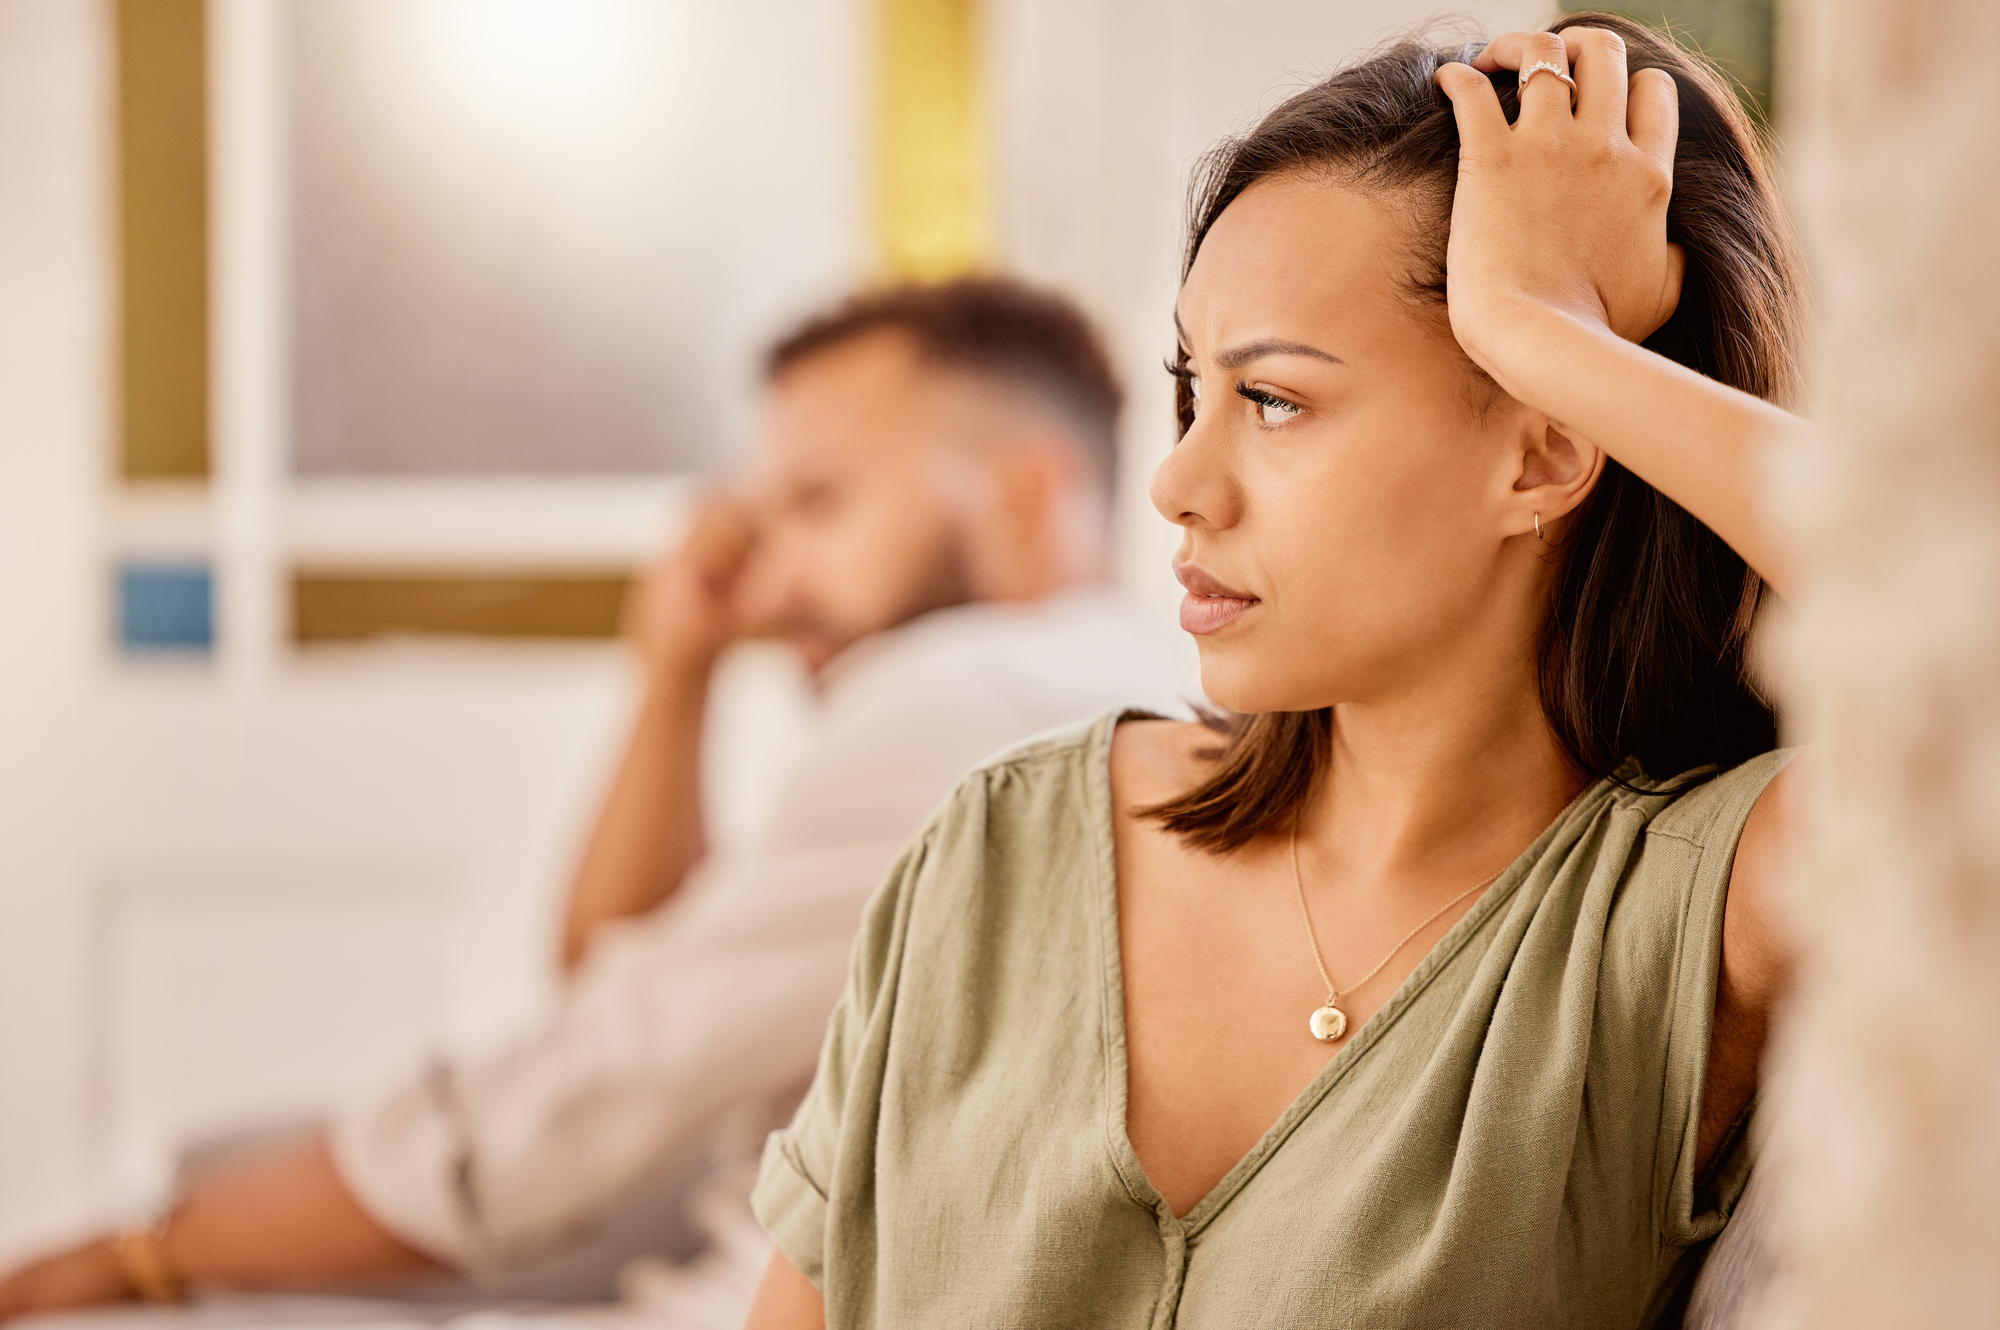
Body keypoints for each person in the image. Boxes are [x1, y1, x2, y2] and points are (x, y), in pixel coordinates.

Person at [744, 15, 1807, 1329]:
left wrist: (1553, 343)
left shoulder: (1688, 917)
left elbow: (1960, 639)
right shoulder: (998, 851)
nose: (1179, 483)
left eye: (1278, 401)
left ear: (1542, 456)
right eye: (1195, 387)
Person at [0, 279, 1192, 1324]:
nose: (770, 579)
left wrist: (137, 1256)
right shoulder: (1148, 692)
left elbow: (556, 1110)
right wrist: (676, 668)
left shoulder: (957, 708)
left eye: (818, 503)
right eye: (757, 523)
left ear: (1027, 501)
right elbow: (626, 993)